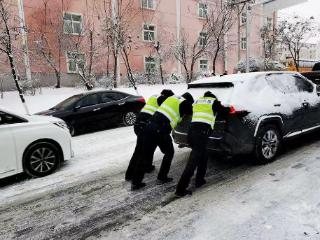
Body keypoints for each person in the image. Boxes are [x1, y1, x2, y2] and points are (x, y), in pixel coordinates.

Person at [131, 92, 194, 190]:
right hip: (161, 130)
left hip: (149, 126)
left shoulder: (171, 99)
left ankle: (135, 182)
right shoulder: (185, 103)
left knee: (145, 154)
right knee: (169, 152)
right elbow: (191, 112)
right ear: (189, 100)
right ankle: (162, 177)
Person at [175, 91, 230, 197]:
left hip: (191, 134)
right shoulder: (213, 102)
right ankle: (180, 190)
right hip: (201, 134)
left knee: (204, 156)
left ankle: (200, 180)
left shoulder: (197, 101)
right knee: (192, 162)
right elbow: (224, 112)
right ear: (213, 97)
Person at [125, 89, 174, 181]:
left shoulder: (153, 96)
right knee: (143, 149)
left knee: (142, 149)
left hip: (138, 124)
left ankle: (135, 172)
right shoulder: (163, 99)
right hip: (146, 125)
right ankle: (134, 175)